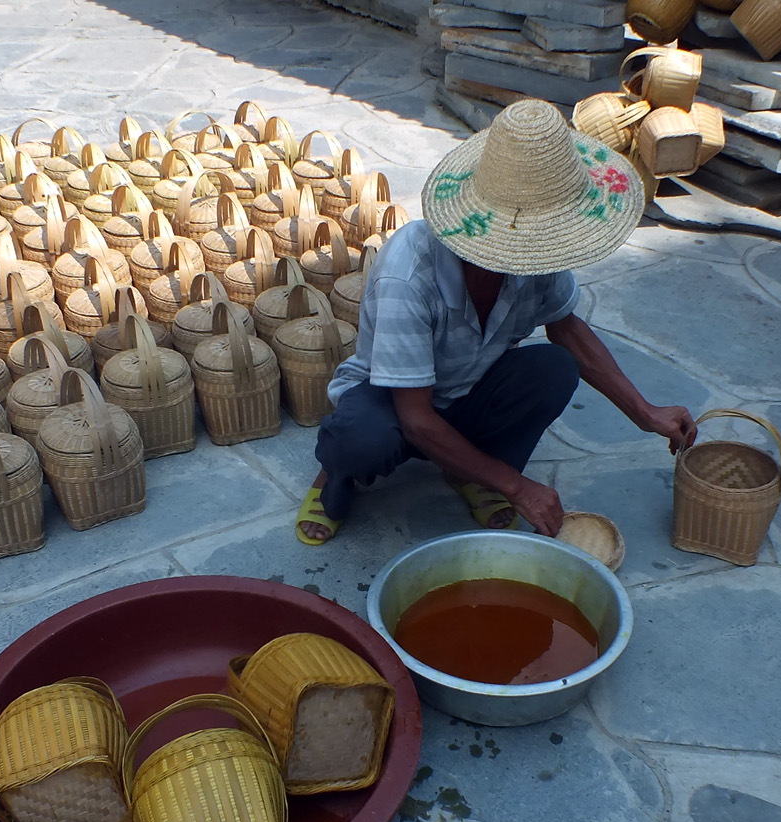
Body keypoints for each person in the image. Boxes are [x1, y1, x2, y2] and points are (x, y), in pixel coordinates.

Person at [296, 99, 697, 545]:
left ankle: (473, 468)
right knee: (360, 440)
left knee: (554, 369)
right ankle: (334, 476)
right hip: (392, 400)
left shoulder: (537, 252)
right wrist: (518, 487)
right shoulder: (409, 271)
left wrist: (644, 412)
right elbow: (416, 419)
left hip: (468, 388)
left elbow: (566, 328)